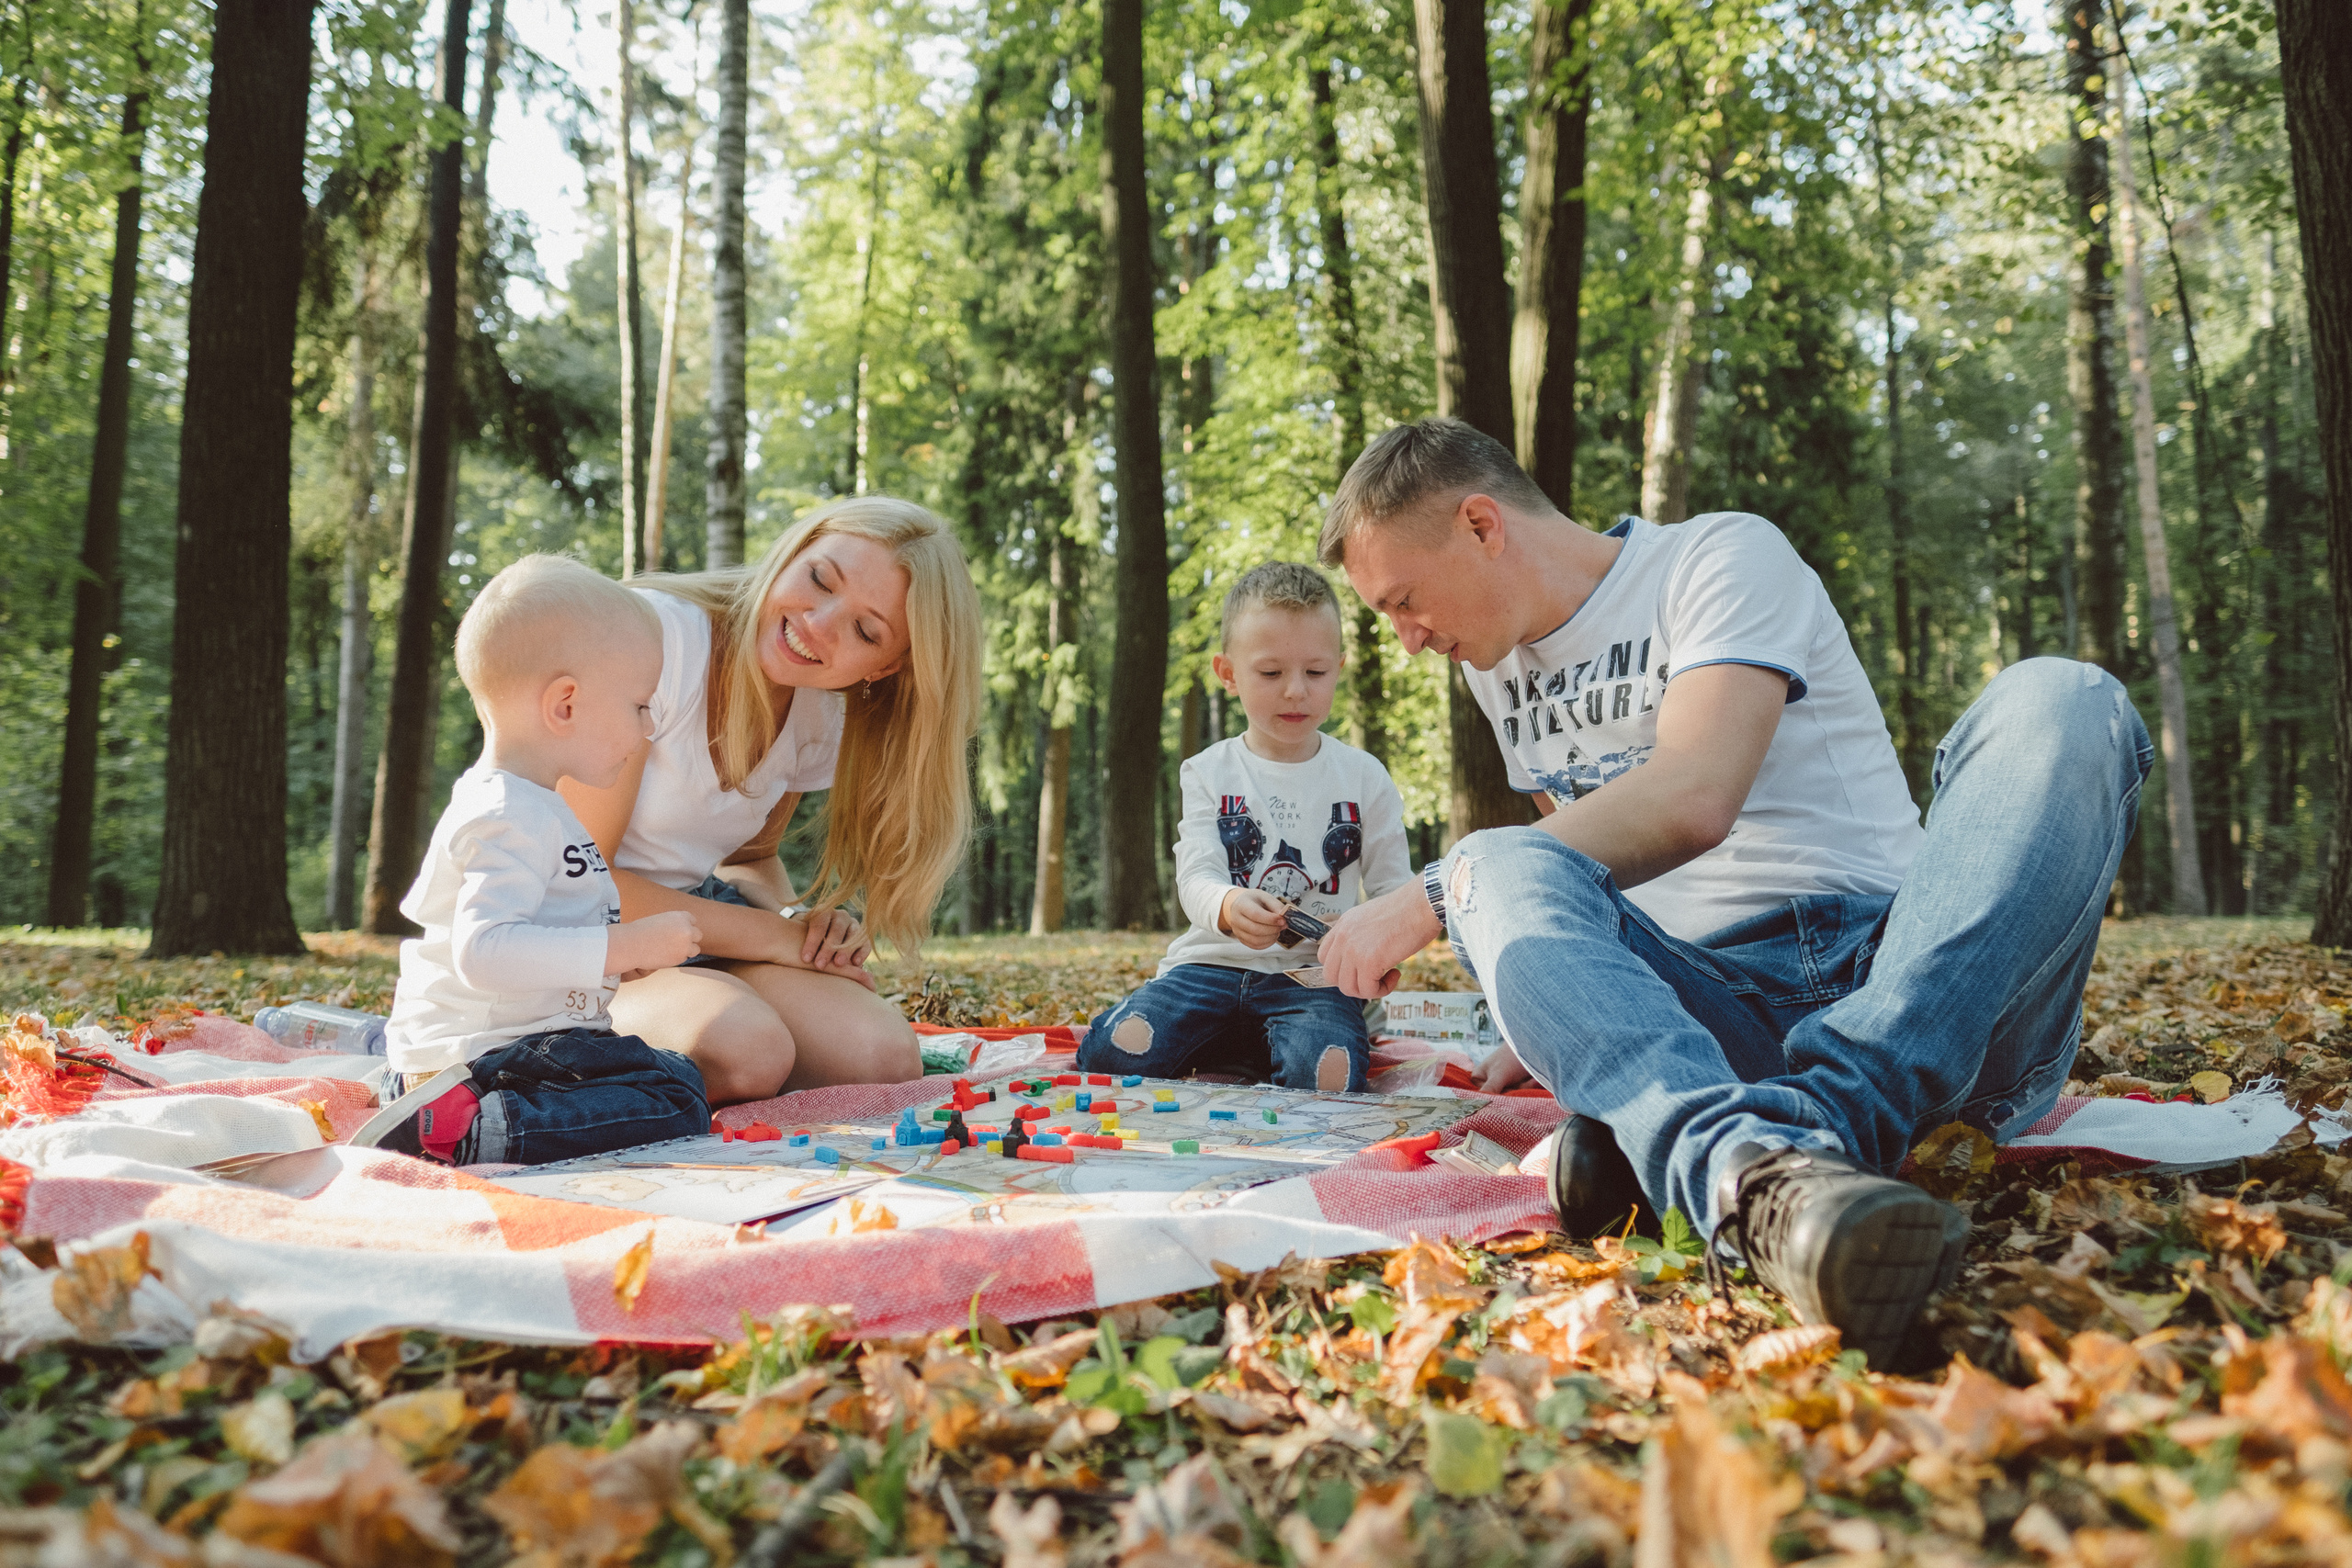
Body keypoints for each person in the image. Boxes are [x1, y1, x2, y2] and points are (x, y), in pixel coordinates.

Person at [1312, 419, 2152, 1365]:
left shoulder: (1718, 556)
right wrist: (1543, 995)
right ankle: (1764, 1179)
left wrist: (1431, 890)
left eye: (1403, 601)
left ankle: (1782, 1136)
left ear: (1480, 525)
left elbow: (1693, 795)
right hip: (1713, 1017)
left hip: (1925, 990)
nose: (1408, 639)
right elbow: (1569, 860)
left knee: (2064, 699)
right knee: (1494, 860)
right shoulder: (1496, 668)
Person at [560, 497, 984, 1106]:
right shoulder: (652, 642)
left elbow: (750, 856)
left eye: (866, 630)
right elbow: (581, 884)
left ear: (887, 667)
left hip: (685, 936)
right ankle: (528, 1059)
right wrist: (773, 937)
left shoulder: (818, 710)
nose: (819, 622)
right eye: (819, 579)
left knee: (883, 1055)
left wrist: (797, 923)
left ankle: (693, 1028)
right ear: (794, 550)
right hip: (569, 942)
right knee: (747, 1048)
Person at [360, 555, 711, 1165]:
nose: (649, 725)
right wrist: (626, 946)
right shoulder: (508, 813)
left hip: (510, 1047)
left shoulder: (535, 805)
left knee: (674, 1072)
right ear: (566, 705)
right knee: (678, 1097)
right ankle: (472, 1131)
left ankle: (448, 1109)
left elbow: (542, 930)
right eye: (637, 704)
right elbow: (485, 950)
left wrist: (607, 965)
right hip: (485, 1061)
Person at [1078, 562, 1409, 1091]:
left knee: (1327, 1078)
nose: (1296, 692)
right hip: (1207, 969)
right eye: (1272, 673)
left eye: (1316, 672)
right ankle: (1239, 1037)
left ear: (1339, 669)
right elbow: (1197, 878)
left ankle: (1277, 1038)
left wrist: (1380, 947)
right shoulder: (1208, 771)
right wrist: (1230, 908)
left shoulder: (1365, 776)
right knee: (1111, 1054)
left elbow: (1395, 890)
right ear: (1228, 674)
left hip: (1312, 978)